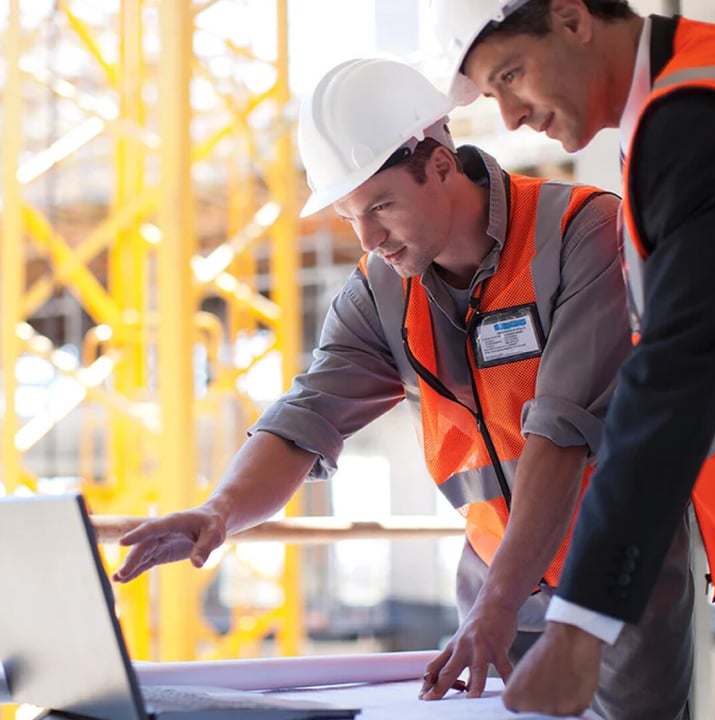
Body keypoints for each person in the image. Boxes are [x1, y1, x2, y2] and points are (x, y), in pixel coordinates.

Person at [112, 55, 662, 716]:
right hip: (492, 591)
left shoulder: (581, 232)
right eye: (350, 217)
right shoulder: (379, 291)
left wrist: (499, 603)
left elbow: (560, 436)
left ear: (438, 165)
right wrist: (220, 511)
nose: (369, 238)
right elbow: (307, 416)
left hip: (616, 587)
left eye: (381, 206)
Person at [430, 0, 715, 717]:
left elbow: (675, 373)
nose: (512, 120)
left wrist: (580, 623)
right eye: (492, 97)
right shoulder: (666, 106)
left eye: (512, 76)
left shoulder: (691, 119)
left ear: (570, 16)